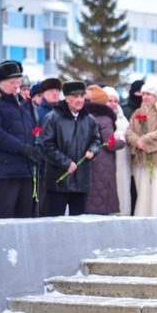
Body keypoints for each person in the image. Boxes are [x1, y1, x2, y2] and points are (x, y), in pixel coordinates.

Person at [0, 60, 39, 218]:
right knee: (4, 215)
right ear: (0, 83)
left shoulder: (23, 104)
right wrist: (21, 147)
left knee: (25, 216)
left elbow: (33, 128)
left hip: (26, 169)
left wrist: (36, 144)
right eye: (12, 83)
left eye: (18, 82)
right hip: (6, 170)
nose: (16, 86)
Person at [41, 81, 101, 216]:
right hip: (58, 181)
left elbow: (96, 140)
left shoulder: (90, 119)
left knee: (79, 221)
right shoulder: (53, 118)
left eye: (82, 96)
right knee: (55, 220)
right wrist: (65, 162)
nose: (79, 100)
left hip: (81, 181)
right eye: (75, 96)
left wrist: (93, 150)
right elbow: (47, 145)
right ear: (67, 98)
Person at [125, 81, 157, 221]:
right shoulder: (138, 112)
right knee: (142, 194)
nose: (144, 97)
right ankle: (142, 222)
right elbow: (129, 131)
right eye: (143, 94)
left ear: (156, 96)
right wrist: (137, 142)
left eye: (148, 94)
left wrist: (144, 141)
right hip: (141, 159)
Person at [84, 85, 126, 215]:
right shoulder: (105, 118)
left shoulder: (86, 115)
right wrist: (122, 141)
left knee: (91, 200)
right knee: (101, 200)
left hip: (90, 160)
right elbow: (110, 144)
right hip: (103, 163)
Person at [103, 86, 132, 216]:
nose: (113, 104)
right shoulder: (102, 117)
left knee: (122, 184)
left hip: (122, 157)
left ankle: (123, 212)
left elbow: (128, 134)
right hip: (107, 157)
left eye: (116, 101)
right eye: (110, 101)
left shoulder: (122, 118)